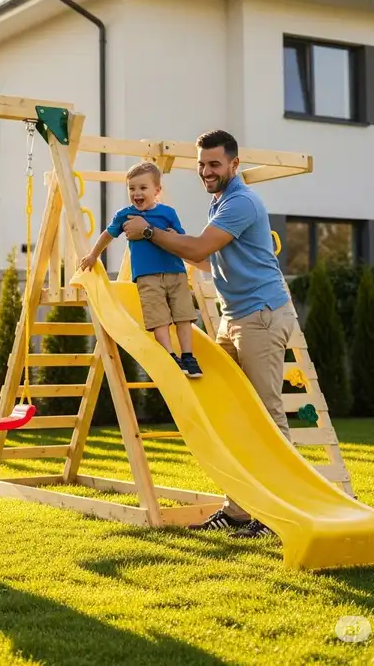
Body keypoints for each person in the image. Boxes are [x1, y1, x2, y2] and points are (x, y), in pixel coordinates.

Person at [121, 130, 294, 540]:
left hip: (261, 317)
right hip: (232, 317)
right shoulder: (219, 202)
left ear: (234, 164)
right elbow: (202, 260)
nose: (206, 171)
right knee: (229, 414)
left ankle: (277, 512)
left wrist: (148, 232)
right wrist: (161, 262)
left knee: (267, 416)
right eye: (201, 163)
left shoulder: (240, 202)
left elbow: (199, 251)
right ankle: (237, 511)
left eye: (214, 163)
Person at [79, 162, 202, 377]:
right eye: (132, 188)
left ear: (157, 191)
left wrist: (174, 235)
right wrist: (93, 255)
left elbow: (181, 238)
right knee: (159, 318)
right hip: (147, 276)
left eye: (143, 188)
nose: (136, 193)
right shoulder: (124, 215)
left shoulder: (168, 213)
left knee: (184, 316)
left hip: (175, 272)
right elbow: (108, 234)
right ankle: (170, 355)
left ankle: (188, 356)